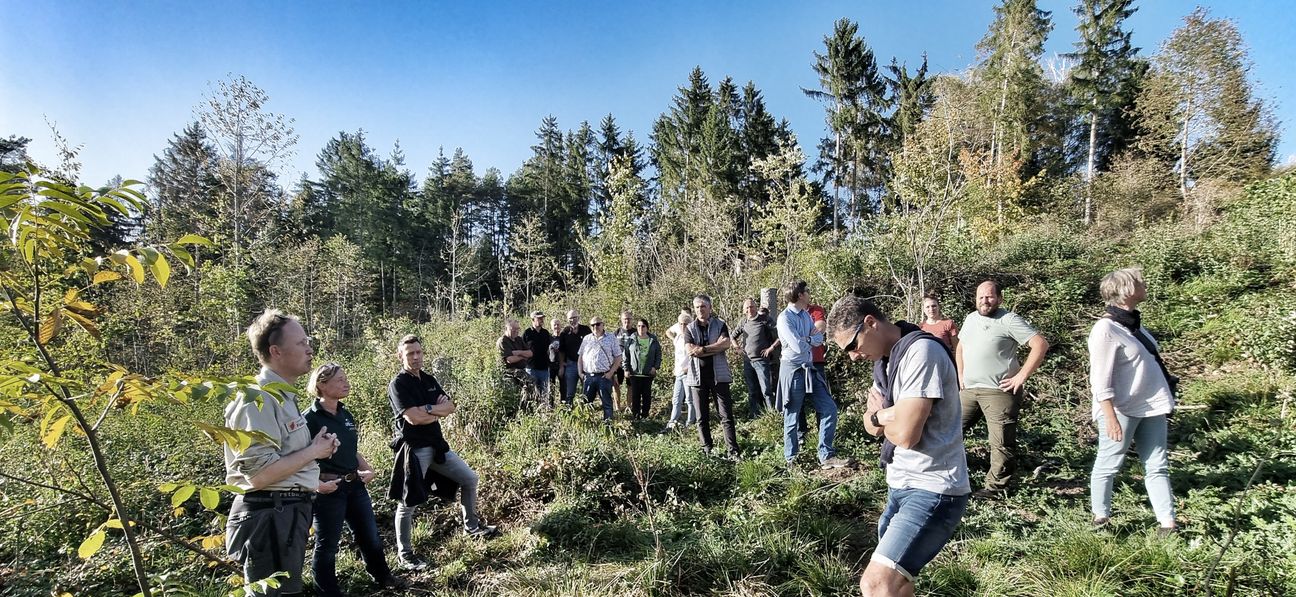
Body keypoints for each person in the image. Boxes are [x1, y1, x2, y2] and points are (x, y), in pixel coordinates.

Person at [827, 295, 970, 596]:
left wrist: (880, 415)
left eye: (852, 346)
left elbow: (906, 434)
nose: (852, 356)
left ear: (870, 323)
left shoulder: (921, 352)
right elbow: (869, 425)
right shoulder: (886, 362)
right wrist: (884, 415)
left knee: (876, 584)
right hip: (900, 484)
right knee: (900, 585)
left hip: (933, 488)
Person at [223, 309, 339, 596]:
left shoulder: (281, 397)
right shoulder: (257, 398)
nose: (309, 348)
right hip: (269, 516)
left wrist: (318, 452)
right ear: (275, 351)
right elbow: (259, 476)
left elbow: (283, 461)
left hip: (285, 513)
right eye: (301, 343)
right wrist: (313, 451)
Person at [387, 335, 497, 572]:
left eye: (418, 352)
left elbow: (451, 407)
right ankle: (405, 555)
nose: (415, 357)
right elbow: (413, 418)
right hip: (415, 450)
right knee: (408, 502)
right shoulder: (398, 384)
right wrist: (435, 410)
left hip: (437, 446)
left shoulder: (428, 379)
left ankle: (472, 527)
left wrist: (428, 410)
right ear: (400, 356)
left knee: (470, 479)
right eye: (410, 354)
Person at [1088, 268, 1178, 536]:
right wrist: (1110, 416)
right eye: (1140, 281)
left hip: (1151, 407)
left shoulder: (1134, 326)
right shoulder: (1105, 329)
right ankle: (1101, 519)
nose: (1144, 284)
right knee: (1108, 464)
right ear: (1126, 290)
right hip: (1121, 410)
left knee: (1157, 465)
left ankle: (1168, 524)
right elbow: (1100, 379)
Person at [303, 363, 404, 595]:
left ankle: (383, 576)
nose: (346, 383)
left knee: (370, 535)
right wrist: (317, 484)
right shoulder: (309, 419)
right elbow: (302, 458)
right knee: (327, 546)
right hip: (329, 490)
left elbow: (352, 448)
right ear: (322, 385)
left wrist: (366, 468)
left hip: (355, 485)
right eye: (339, 380)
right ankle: (327, 591)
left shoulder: (345, 413)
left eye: (346, 378)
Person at [956, 280, 1050, 496]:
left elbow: (1039, 344)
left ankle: (997, 488)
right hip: (970, 390)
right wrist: (961, 375)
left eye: (989, 296)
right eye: (980, 297)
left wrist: (1021, 376)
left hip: (999, 391)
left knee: (1000, 441)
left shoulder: (1009, 320)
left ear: (999, 298)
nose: (984, 301)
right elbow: (960, 347)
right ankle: (952, 473)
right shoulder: (971, 318)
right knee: (950, 430)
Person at [777, 282, 849, 468]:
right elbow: (798, 346)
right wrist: (810, 340)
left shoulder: (805, 316)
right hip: (792, 370)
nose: (809, 294)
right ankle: (791, 459)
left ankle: (826, 455)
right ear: (800, 295)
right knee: (792, 416)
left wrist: (807, 339)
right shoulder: (784, 318)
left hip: (810, 368)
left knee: (829, 408)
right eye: (807, 291)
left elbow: (819, 340)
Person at [685, 295, 740, 458]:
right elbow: (689, 350)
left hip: (719, 376)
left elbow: (726, 344)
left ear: (710, 308)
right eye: (696, 307)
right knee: (702, 417)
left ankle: (733, 451)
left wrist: (702, 350)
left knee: (726, 416)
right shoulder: (689, 328)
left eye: (703, 306)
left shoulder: (720, 324)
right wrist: (714, 348)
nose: (700, 310)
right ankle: (707, 450)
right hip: (697, 378)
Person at [732, 297, 779, 417]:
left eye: (751, 306)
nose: (749, 309)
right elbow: (732, 336)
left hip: (761, 360)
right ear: (743, 310)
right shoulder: (743, 322)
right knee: (752, 391)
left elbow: (780, 335)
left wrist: (771, 348)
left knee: (766, 390)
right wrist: (737, 348)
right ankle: (755, 415)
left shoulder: (765, 319)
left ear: (756, 307)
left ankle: (772, 415)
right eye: (747, 307)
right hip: (748, 361)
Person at [578, 316, 623, 422]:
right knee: (586, 404)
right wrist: (580, 373)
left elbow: (618, 357)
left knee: (607, 403)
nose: (595, 327)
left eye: (598, 324)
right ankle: (587, 425)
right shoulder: (587, 338)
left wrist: (611, 372)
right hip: (588, 376)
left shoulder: (611, 338)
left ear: (603, 325)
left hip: (604, 376)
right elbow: (580, 356)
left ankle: (608, 426)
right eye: (593, 325)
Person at [663, 309, 697, 431]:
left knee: (689, 399)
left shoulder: (693, 337)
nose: (683, 326)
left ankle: (690, 422)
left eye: (685, 324)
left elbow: (696, 355)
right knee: (676, 399)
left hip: (689, 372)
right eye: (681, 324)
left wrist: (689, 368)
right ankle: (673, 421)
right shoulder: (677, 338)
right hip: (678, 373)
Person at [623, 318, 663, 420]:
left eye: (643, 326)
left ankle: (645, 415)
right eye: (639, 326)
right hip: (634, 373)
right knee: (635, 396)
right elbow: (626, 355)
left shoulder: (653, 340)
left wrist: (655, 367)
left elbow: (658, 354)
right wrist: (626, 369)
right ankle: (636, 416)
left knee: (646, 396)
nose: (641, 328)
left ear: (647, 328)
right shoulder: (631, 339)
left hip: (648, 373)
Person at [558, 310, 592, 406]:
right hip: (571, 364)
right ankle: (569, 411)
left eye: (575, 317)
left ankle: (586, 410)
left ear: (578, 317)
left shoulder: (586, 330)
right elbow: (561, 351)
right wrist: (561, 366)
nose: (573, 320)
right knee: (570, 392)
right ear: (567, 319)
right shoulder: (564, 332)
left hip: (585, 365)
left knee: (587, 390)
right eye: (570, 318)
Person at [522, 311, 554, 406]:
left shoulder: (545, 333)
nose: (541, 320)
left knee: (544, 393)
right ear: (533, 320)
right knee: (531, 393)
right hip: (531, 368)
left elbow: (549, 348)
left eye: (542, 318)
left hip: (544, 368)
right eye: (539, 318)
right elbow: (522, 349)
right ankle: (532, 413)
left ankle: (543, 413)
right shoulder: (527, 333)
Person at [497, 318, 534, 396]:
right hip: (509, 372)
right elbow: (510, 359)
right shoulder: (503, 341)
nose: (516, 331)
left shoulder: (519, 339)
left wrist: (518, 353)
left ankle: (527, 406)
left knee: (530, 386)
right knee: (515, 392)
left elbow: (530, 353)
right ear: (506, 328)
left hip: (521, 370)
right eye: (513, 329)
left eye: (517, 329)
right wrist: (523, 356)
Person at [614, 310, 637, 412]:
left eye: (628, 319)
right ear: (621, 320)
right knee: (616, 385)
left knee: (630, 386)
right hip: (618, 364)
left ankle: (629, 406)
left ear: (632, 320)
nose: (626, 321)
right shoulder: (617, 332)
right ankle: (617, 407)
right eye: (625, 319)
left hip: (631, 364)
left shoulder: (636, 332)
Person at [548, 319, 563, 405]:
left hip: (562, 365)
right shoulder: (549, 338)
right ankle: (550, 405)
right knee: (551, 387)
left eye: (558, 324)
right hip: (551, 365)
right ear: (551, 327)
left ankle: (564, 405)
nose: (556, 326)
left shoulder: (563, 337)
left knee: (563, 387)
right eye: (554, 325)